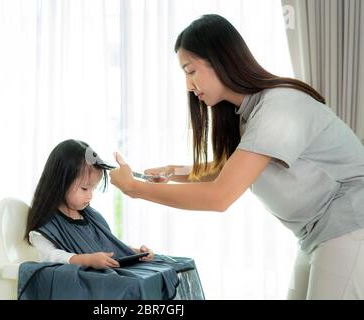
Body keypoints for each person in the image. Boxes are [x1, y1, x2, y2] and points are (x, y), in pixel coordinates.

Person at [109, 14, 364, 300]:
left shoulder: (279, 107)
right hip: (317, 235)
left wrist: (135, 189)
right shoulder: (247, 114)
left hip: (350, 225)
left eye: (190, 71)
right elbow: (230, 169)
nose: (188, 86)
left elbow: (220, 196)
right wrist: (174, 171)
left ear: (220, 60)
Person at [21, 139, 205, 300]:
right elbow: (50, 257)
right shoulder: (46, 227)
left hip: (102, 272)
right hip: (88, 280)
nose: (90, 196)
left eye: (94, 189)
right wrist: (87, 260)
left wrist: (134, 252)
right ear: (60, 183)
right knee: (134, 286)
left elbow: (107, 247)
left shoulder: (91, 217)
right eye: (85, 189)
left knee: (181, 265)